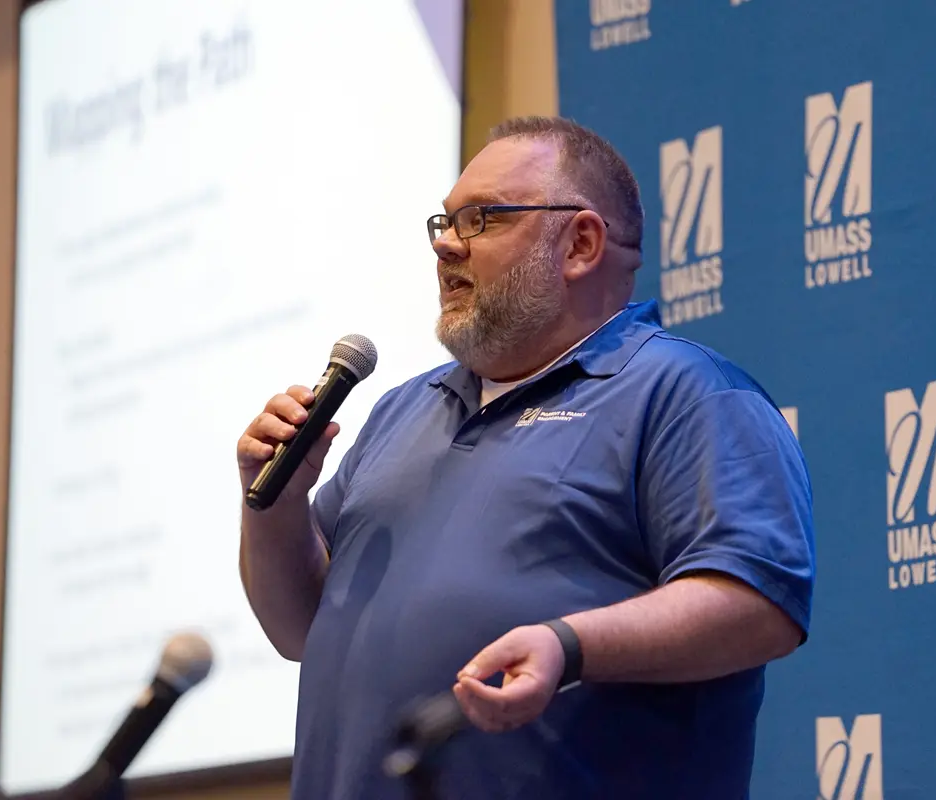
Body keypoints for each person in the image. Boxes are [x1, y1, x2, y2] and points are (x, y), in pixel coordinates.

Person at [237, 115, 815, 799]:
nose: (447, 246)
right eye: (444, 223)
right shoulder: (401, 409)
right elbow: (297, 628)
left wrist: (569, 646)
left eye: (482, 219)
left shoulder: (685, 394)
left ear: (580, 243)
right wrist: (276, 505)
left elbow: (758, 604)